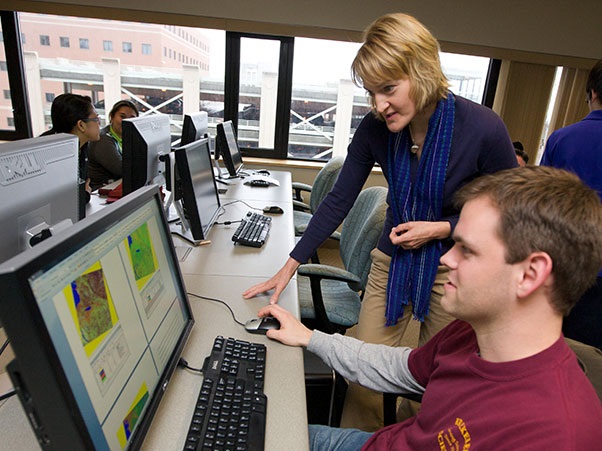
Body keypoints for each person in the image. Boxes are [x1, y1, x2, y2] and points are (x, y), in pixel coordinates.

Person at [243, 12, 517, 430]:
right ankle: (363, 439)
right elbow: (337, 201)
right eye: (372, 93)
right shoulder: (376, 129)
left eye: (389, 89)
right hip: (392, 261)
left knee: (438, 382)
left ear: (422, 71)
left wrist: (442, 228)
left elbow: (509, 209)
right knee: (361, 376)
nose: (379, 105)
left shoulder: (481, 127)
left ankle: (410, 435)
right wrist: (288, 266)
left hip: (456, 265)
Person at [259, 166, 602, 450]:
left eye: (466, 250)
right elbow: (398, 368)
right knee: (246, 431)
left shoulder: (558, 433)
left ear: (529, 274)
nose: (447, 258)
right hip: (379, 443)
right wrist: (309, 337)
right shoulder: (470, 332)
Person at [540, 58, 602, 349]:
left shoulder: (561, 139)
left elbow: (539, 205)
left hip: (566, 264)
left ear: (591, 93)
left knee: (559, 350)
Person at [41, 93, 101, 202]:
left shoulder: (81, 145)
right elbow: (68, 200)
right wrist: (85, 194)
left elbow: (82, 186)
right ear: (81, 125)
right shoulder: (53, 152)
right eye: (96, 119)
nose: (99, 124)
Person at [87, 100, 139, 191]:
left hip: (118, 185)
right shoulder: (102, 139)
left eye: (132, 118)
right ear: (112, 117)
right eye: (122, 116)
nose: (126, 121)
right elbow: (121, 169)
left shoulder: (129, 137)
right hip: (100, 191)